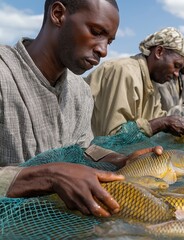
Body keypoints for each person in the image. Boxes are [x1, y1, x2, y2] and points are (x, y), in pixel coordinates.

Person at [0, 0, 162, 218]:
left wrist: (119, 160)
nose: (103, 50)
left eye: (109, 41)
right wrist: (49, 176)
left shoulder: (81, 92)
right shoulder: (4, 75)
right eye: (96, 32)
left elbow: (84, 149)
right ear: (58, 14)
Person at [87, 27, 184, 138]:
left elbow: (160, 118)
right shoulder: (126, 72)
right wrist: (163, 123)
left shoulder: (152, 83)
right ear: (159, 52)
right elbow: (112, 137)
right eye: (176, 65)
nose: (177, 73)